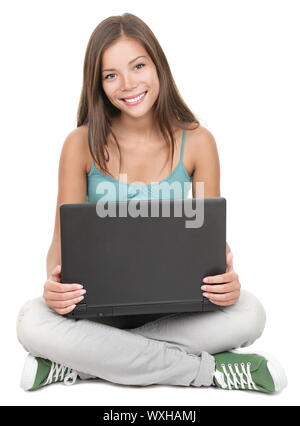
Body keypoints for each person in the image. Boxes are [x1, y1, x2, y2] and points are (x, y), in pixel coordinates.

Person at [16, 13, 287, 393]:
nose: (128, 84)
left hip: (174, 310)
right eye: (111, 75)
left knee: (250, 312)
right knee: (31, 319)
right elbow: (59, 251)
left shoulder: (198, 142)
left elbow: (208, 238)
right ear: (99, 84)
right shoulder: (79, 144)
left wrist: (225, 276)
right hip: (100, 316)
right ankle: (209, 372)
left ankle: (81, 365)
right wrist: (54, 285)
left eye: (138, 66)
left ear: (158, 65)